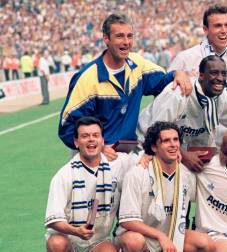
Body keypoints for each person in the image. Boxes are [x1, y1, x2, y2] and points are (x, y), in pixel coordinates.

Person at [58, 13, 191, 158]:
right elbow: (67, 128)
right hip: (97, 157)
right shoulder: (87, 78)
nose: (126, 42)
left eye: (130, 36)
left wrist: (177, 73)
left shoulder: (137, 64)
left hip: (129, 152)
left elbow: (161, 82)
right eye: (120, 36)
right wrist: (99, 147)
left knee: (176, 89)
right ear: (106, 38)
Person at [116, 121, 216, 252]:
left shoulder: (186, 174)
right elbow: (127, 220)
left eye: (176, 140)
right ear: (154, 147)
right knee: (133, 242)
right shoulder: (138, 173)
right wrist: (161, 237)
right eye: (166, 141)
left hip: (171, 238)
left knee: (207, 245)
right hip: (142, 238)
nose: (173, 145)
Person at [44, 117, 134, 252]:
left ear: (103, 140)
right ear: (76, 142)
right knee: (56, 243)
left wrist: (147, 157)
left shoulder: (116, 165)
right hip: (69, 239)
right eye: (85, 136)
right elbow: (53, 219)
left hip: (96, 242)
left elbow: (145, 158)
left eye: (95, 135)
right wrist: (75, 231)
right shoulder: (64, 175)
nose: (91, 140)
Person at [138, 54, 227, 172]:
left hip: (182, 149)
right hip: (147, 146)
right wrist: (185, 156)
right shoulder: (179, 93)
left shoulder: (222, 97)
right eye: (214, 73)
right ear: (201, 75)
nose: (220, 78)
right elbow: (156, 131)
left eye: (223, 74)